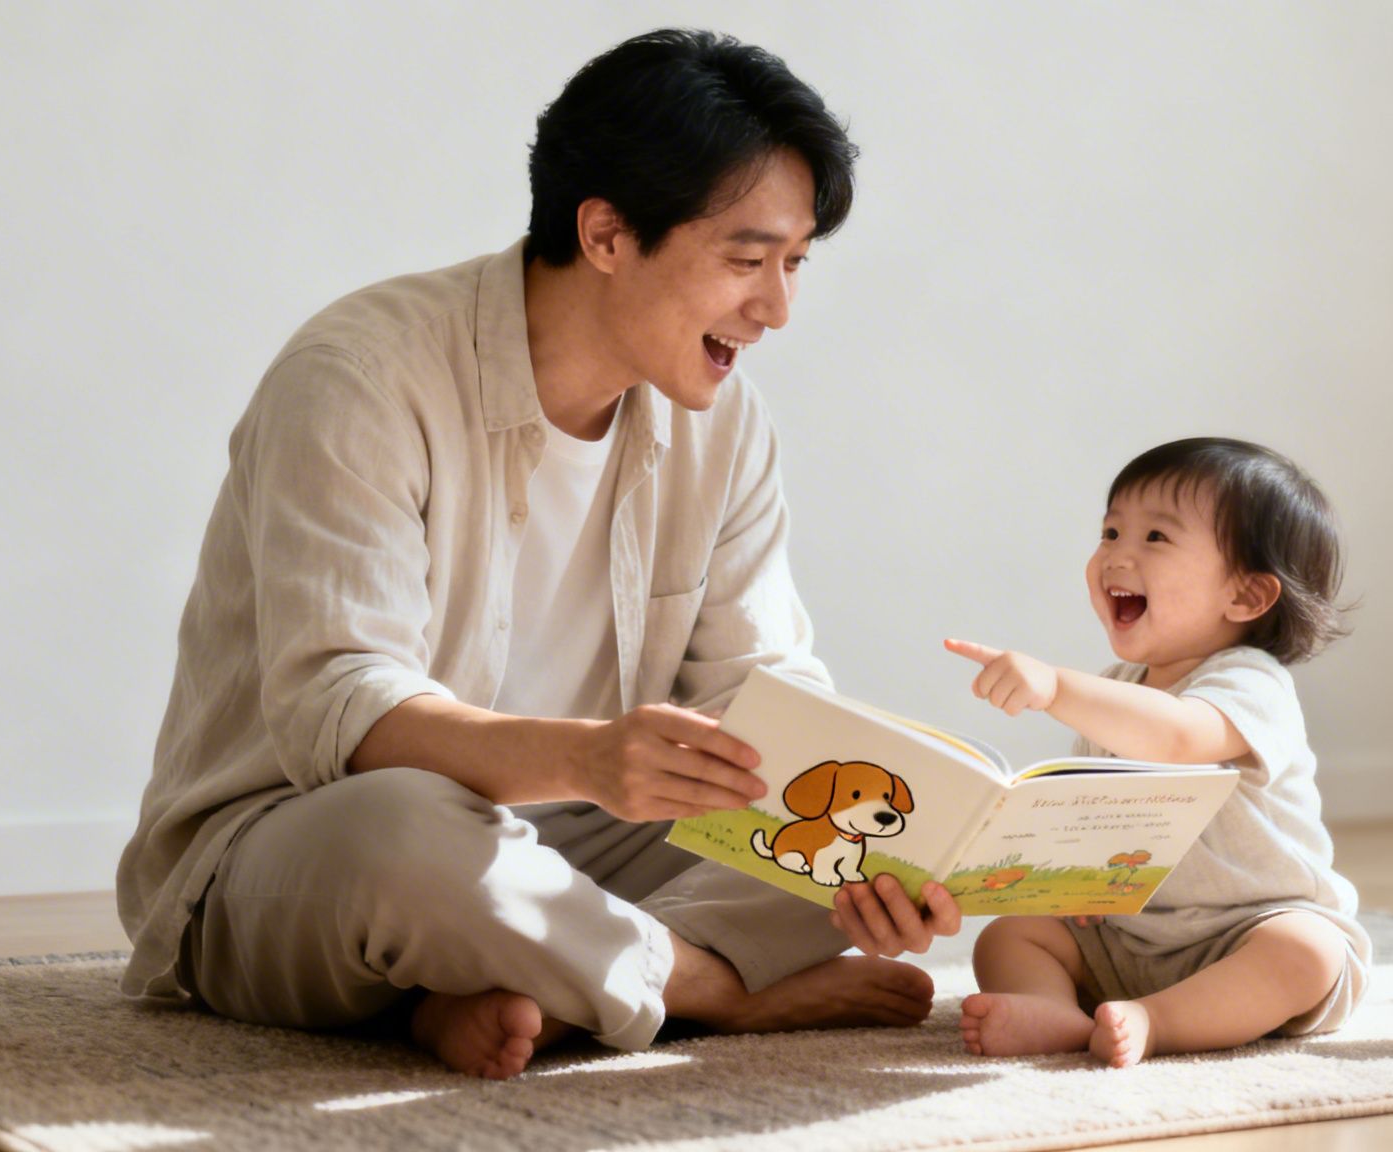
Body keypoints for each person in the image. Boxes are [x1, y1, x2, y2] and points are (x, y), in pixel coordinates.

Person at [116, 28, 960, 1080]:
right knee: (411, 835)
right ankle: (707, 988)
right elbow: (338, 703)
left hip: (585, 850)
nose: (776, 309)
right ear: (605, 233)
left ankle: (525, 988)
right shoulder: (358, 376)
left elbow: (758, 692)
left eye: (792, 264)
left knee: (850, 832)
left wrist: (886, 831)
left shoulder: (726, 425)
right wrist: (583, 758)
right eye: (746, 261)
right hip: (300, 842)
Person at [945, 437, 1370, 1067]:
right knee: (1010, 935)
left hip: (1247, 930)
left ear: (1247, 597)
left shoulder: (1252, 682)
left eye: (1156, 539)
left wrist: (1056, 686)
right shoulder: (1114, 691)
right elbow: (1091, 809)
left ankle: (1159, 1023)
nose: (1116, 555)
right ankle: (1057, 1013)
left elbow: (1178, 737)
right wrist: (1071, 881)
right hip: (1128, 937)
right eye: (1111, 531)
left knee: (1307, 953)